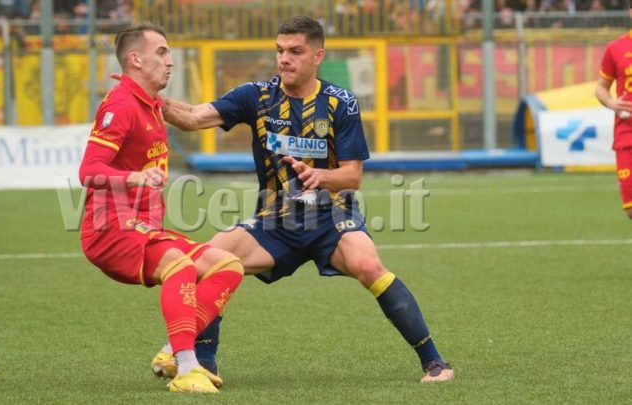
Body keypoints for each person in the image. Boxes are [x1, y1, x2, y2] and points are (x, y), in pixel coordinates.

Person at [150, 15, 454, 384]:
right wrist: (147, 96)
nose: (284, 59)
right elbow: (194, 117)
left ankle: (434, 362)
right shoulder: (256, 96)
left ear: (317, 55)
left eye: (295, 51)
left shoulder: (341, 103)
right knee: (213, 257)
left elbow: (353, 175)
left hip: (330, 216)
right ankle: (206, 361)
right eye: (280, 51)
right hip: (275, 220)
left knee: (368, 264)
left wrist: (321, 176)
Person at [78, 22, 244, 394]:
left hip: (139, 226)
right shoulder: (120, 104)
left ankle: (173, 350)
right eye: (162, 52)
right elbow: (89, 171)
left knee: (227, 266)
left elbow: (185, 113)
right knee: (181, 265)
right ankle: (187, 369)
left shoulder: (148, 101)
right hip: (110, 228)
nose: (171, 61)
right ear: (136, 59)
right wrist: (135, 178)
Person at [596, 1, 632, 219]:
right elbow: (600, 87)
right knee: (630, 209)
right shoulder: (616, 48)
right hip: (626, 134)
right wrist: (610, 103)